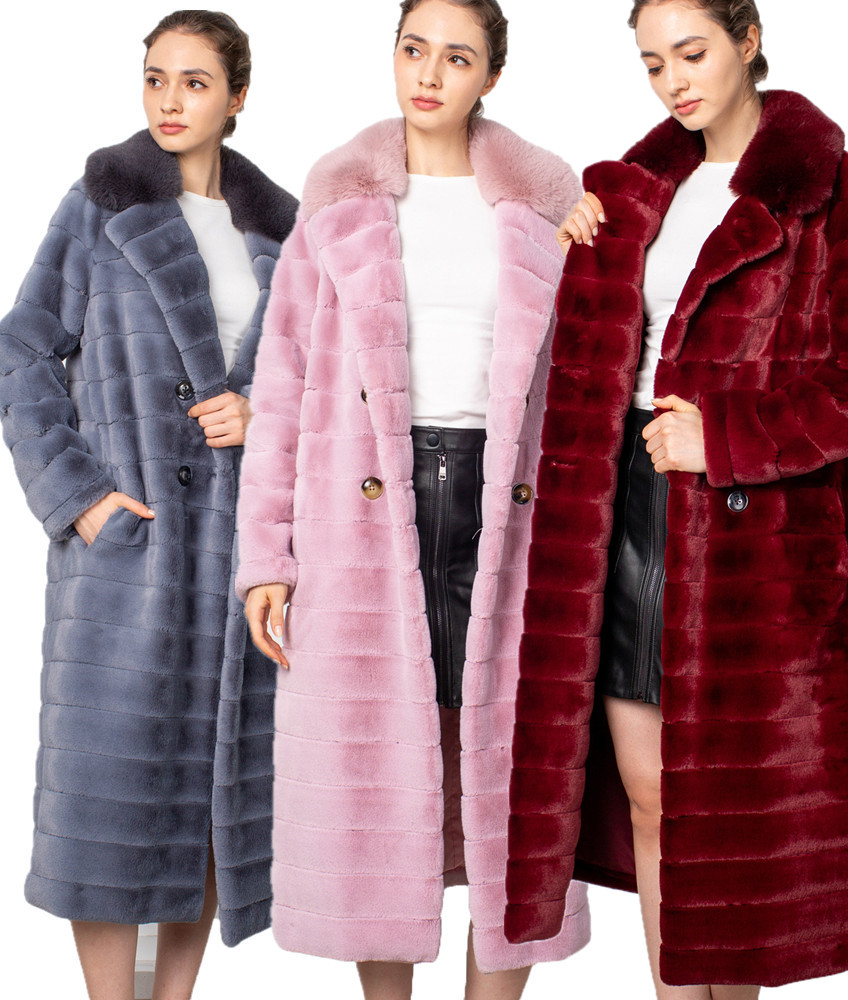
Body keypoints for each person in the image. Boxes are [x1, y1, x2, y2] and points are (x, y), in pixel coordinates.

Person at [502, 1, 848, 997]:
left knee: (730, 834)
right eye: (653, 64)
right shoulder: (631, 192)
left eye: (691, 54)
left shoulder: (834, 192)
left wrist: (726, 436)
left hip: (750, 544)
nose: (674, 82)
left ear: (748, 41)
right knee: (652, 802)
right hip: (620, 516)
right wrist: (571, 245)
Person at [236, 1, 588, 998]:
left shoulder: (547, 206)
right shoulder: (336, 201)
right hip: (360, 515)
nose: (429, 74)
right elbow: (282, 383)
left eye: (457, 57)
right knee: (374, 784)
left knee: (509, 780)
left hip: (508, 511)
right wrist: (267, 558)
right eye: (414, 49)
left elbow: (590, 375)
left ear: (491, 76)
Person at [0, 10, 296, 1000]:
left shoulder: (284, 232)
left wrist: (260, 411)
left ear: (238, 96)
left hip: (237, 552)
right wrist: (80, 498)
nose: (170, 101)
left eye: (195, 82)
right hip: (130, 553)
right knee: (108, 803)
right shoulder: (102, 203)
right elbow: (22, 348)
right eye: (156, 78)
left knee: (209, 802)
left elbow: (314, 376)